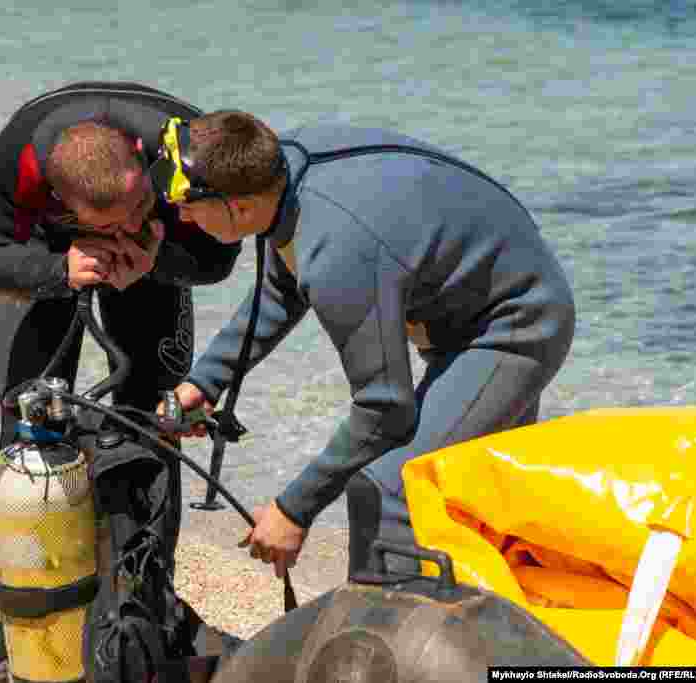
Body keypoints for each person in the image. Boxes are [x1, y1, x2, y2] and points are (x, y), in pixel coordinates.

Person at [164, 110, 577, 581]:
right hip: (473, 307)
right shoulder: (283, 171)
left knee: (390, 487)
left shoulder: (339, 247)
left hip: (516, 325)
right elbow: (283, 288)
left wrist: (293, 510)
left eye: (189, 203)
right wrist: (203, 383)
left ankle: (386, 643)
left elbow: (385, 409)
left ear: (238, 207)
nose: (182, 215)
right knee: (480, 500)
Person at [0, 83, 242, 683]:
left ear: (142, 160)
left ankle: (149, 607)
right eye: (117, 220)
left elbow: (221, 259)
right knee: (30, 432)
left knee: (153, 429)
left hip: (159, 266)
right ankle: (33, 612)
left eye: (140, 205)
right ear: (64, 200)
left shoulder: (181, 152)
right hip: (48, 255)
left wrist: (157, 257)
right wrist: (59, 269)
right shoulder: (21, 158)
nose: (132, 223)